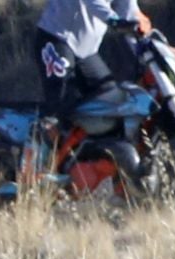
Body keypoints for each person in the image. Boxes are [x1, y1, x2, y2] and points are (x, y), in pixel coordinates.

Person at [29, 0, 149, 178]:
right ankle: (36, 167)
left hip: (85, 51)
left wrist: (145, 46)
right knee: (61, 105)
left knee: (110, 101)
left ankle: (86, 163)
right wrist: (113, 20)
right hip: (56, 38)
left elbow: (129, 12)